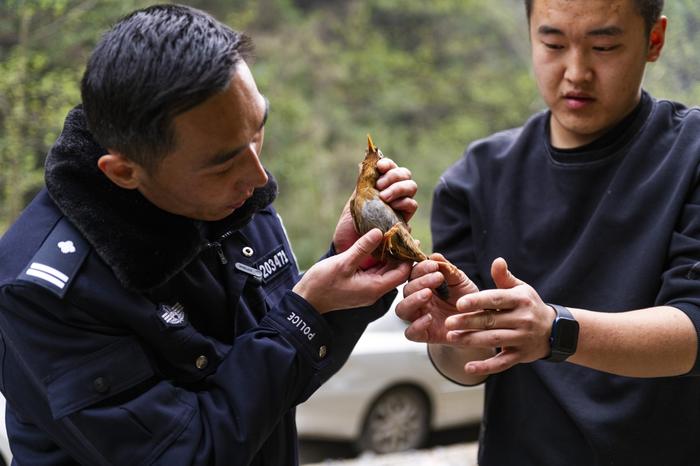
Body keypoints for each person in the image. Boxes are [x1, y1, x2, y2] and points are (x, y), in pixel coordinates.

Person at [0, 5, 418, 465]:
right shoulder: (41, 293)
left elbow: (281, 380)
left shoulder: (234, 203)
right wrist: (307, 311)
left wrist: (345, 271)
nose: (258, 178)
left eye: (258, 133)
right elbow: (188, 453)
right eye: (223, 163)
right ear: (124, 171)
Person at [396, 0, 700, 464]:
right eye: (553, 43)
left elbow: (694, 326)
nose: (576, 72)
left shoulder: (690, 154)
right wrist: (454, 330)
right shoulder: (475, 178)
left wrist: (556, 330)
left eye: (604, 46)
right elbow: (467, 366)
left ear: (653, 40)